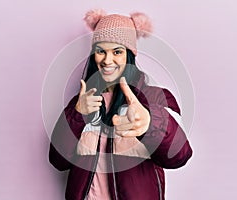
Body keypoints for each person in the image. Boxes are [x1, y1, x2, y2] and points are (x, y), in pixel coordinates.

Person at [49, 9, 193, 200]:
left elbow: (180, 155)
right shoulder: (84, 100)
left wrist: (150, 124)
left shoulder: (156, 97)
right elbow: (58, 161)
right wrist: (77, 116)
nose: (107, 60)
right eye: (101, 51)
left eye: (117, 51)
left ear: (130, 55)